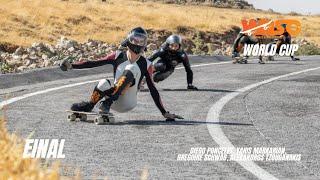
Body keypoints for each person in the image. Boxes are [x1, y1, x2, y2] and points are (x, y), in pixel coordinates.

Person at [60, 27, 182, 121]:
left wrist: (164, 112)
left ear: (144, 43)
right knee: (104, 82)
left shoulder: (147, 64)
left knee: (131, 68)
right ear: (129, 40)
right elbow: (94, 63)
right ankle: (89, 106)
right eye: (136, 39)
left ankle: (107, 103)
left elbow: (153, 89)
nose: (138, 43)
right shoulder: (118, 56)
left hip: (128, 102)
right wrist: (72, 66)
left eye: (142, 40)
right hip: (113, 102)